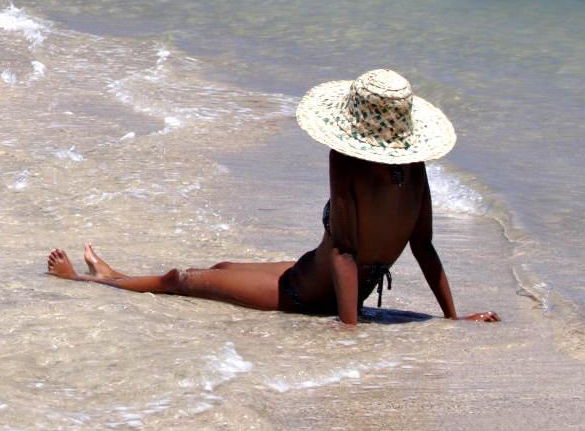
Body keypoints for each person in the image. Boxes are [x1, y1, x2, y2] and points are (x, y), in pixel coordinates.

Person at [45, 68, 499, 325]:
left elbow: (344, 250)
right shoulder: (413, 168)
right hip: (312, 274)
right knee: (220, 269)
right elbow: (422, 245)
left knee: (181, 277)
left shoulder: (346, 161)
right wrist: (452, 319)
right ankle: (114, 273)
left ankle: (89, 280)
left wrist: (348, 329)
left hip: (306, 293)